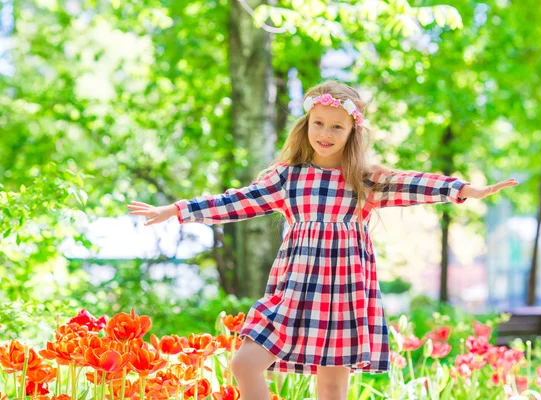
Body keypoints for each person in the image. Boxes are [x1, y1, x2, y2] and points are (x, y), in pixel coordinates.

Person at [127, 80, 518, 400]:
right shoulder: (288, 177)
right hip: (294, 289)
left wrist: (467, 190)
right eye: (318, 123)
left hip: (344, 292)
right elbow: (236, 202)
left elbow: (417, 184)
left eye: (336, 126)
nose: (325, 134)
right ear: (306, 124)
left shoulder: (365, 180)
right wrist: (177, 210)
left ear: (352, 132)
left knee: (332, 387)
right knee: (245, 364)